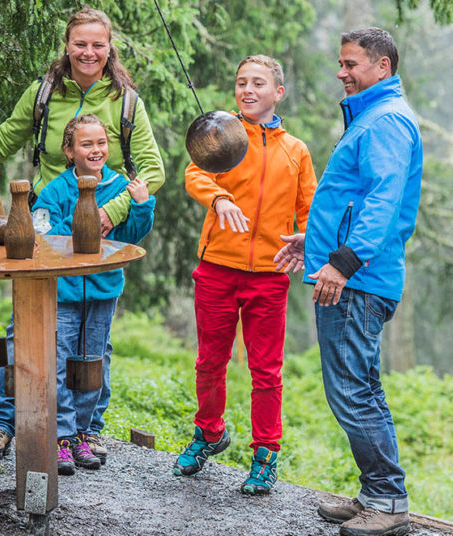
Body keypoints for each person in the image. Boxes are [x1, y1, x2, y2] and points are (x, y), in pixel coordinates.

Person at [0, 7, 165, 463]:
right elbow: (3, 139)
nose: (89, 52)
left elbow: (152, 170)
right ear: (67, 45)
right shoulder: (44, 94)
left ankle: (83, 430)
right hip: (43, 227)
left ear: (109, 47)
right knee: (23, 329)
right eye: (80, 43)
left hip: (98, 235)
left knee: (91, 340)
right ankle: (1, 423)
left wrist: (107, 214)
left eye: (98, 44)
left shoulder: (126, 102)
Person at [273, 28, 422, 536]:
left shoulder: (386, 122)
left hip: (359, 281)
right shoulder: (372, 116)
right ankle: (376, 493)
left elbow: (381, 204)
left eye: (351, 63)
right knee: (356, 388)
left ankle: (387, 499)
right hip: (351, 275)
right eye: (341, 62)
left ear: (382, 67)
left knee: (355, 392)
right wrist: (312, 246)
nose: (342, 72)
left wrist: (342, 262)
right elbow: (351, 199)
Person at [172, 55, 316, 495]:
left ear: (279, 93)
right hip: (217, 267)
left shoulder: (296, 151)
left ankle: (266, 454)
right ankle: (209, 433)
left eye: (258, 83)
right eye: (241, 83)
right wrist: (219, 199)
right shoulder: (222, 134)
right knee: (210, 362)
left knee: (266, 370)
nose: (247, 90)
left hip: (270, 276)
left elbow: (311, 210)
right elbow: (194, 173)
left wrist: (309, 238)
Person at [33, 114, 155, 475]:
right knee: (61, 362)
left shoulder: (119, 189)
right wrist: (80, 224)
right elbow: (43, 234)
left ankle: (85, 432)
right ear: (69, 151)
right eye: (86, 144)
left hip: (103, 290)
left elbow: (132, 233)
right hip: (64, 293)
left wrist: (143, 204)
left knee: (93, 361)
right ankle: (62, 436)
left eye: (101, 142)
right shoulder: (55, 191)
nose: (96, 149)